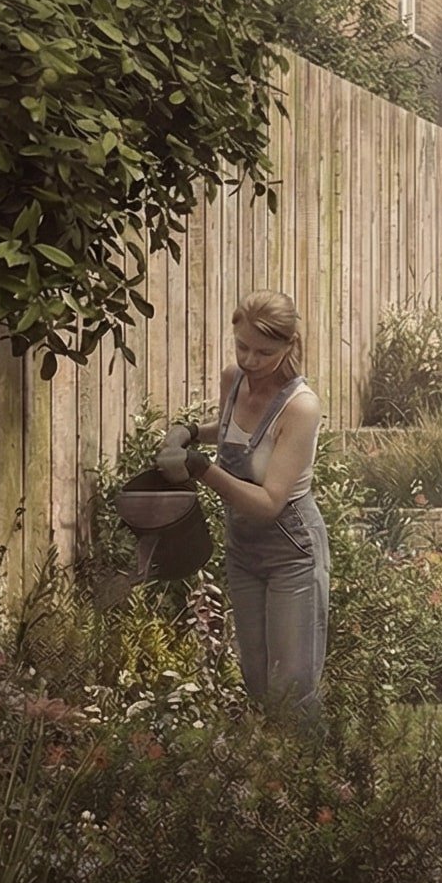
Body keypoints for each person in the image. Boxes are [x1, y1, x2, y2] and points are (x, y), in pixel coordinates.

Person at [157, 290, 329, 728]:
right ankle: (267, 784)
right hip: (243, 548)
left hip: (291, 547)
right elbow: (238, 432)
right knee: (255, 677)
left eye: (265, 352)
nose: (251, 360)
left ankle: (311, 785)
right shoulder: (232, 378)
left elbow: (270, 503)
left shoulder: (300, 406)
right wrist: (192, 431)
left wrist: (200, 468)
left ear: (290, 346)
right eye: (242, 346)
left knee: (291, 686)